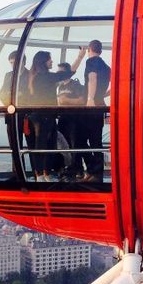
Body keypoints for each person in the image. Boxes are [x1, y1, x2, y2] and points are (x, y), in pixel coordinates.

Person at [27, 47, 87, 180]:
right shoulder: (45, 77)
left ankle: (43, 174)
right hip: (45, 115)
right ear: (44, 61)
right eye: (50, 59)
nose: (52, 61)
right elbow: (68, 73)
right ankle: (42, 174)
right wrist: (80, 57)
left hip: (39, 115)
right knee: (45, 144)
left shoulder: (34, 77)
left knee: (45, 144)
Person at [82, 39, 111, 182]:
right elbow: (112, 87)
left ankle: (94, 170)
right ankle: (95, 172)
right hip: (100, 104)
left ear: (89, 49)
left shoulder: (91, 61)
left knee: (81, 139)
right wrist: (100, 96)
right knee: (96, 140)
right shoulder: (106, 67)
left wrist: (90, 98)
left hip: (92, 105)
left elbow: (92, 78)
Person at [56, 62, 86, 177]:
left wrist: (66, 100)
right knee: (63, 144)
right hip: (63, 119)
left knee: (75, 144)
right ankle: (66, 167)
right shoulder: (60, 87)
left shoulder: (76, 85)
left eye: (60, 72)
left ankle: (78, 169)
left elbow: (82, 101)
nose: (58, 74)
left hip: (74, 119)